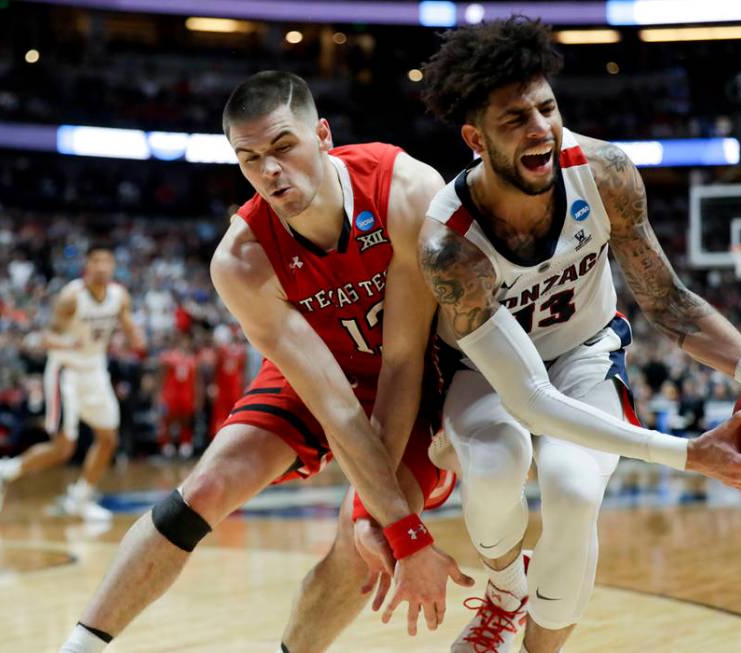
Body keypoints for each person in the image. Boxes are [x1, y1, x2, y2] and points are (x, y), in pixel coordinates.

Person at [411, 18, 741, 653]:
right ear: (475, 139)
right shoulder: (449, 245)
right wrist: (686, 454)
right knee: (497, 461)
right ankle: (506, 591)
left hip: (585, 351)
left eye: (547, 107)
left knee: (569, 488)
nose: (540, 128)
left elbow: (668, 302)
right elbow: (530, 397)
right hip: (484, 372)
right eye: (516, 119)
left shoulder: (605, 172)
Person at [59, 71, 470, 653]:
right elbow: (335, 407)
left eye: (283, 147)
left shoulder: (403, 188)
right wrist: (404, 529)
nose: (270, 170)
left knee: (364, 545)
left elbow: (402, 363)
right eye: (249, 158)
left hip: (418, 378)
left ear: (323, 135)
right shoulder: (241, 259)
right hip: (322, 374)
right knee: (206, 486)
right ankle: (77, 647)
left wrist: (382, 517)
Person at [0, 244, 146, 521]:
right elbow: (46, 338)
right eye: (97, 262)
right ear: (87, 266)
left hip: (95, 370)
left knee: (108, 438)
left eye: (108, 262)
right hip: (65, 371)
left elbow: (127, 324)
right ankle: (2, 470)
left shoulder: (119, 295)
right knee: (63, 448)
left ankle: (80, 497)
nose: (103, 268)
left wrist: (136, 338)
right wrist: (68, 341)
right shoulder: (72, 297)